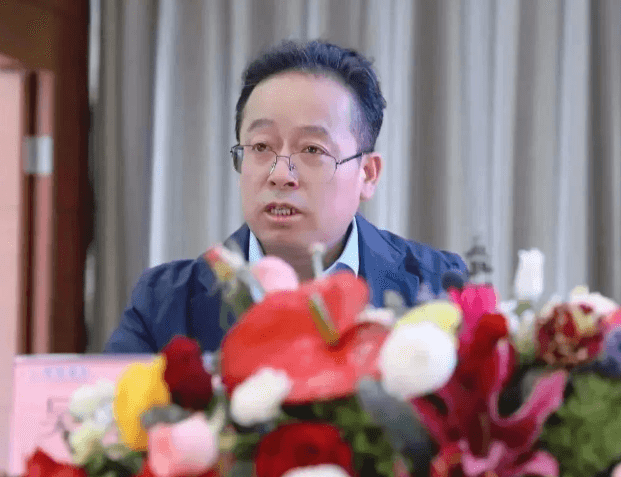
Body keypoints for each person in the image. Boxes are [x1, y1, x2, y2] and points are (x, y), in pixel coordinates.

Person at [104, 39, 467, 354]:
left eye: (312, 150)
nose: (280, 175)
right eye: (261, 146)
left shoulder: (438, 286)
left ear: (367, 174)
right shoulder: (164, 304)